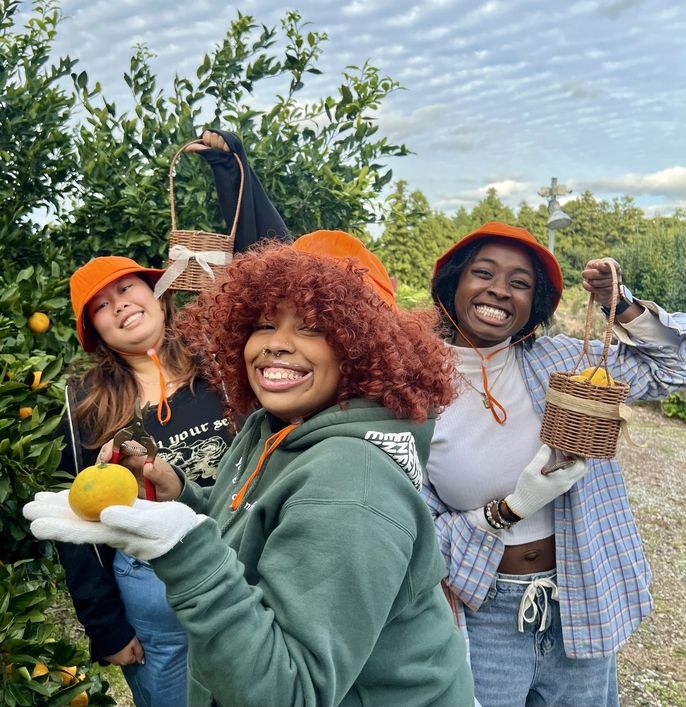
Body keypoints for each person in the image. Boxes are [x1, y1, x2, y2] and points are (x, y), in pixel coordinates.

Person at [27, 232, 475, 706]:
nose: (276, 345)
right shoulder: (271, 426)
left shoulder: (350, 483)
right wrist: (180, 494)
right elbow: (256, 521)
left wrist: (184, 548)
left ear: (365, 345)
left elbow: (288, 693)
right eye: (263, 324)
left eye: (312, 327)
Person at [423, 220, 686, 706]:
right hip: (483, 610)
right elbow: (411, 531)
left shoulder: (563, 360)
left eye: (520, 283)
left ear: (534, 303)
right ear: (453, 282)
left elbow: (675, 367)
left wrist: (619, 303)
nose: (499, 291)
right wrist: (510, 510)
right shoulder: (412, 388)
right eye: (483, 272)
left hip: (578, 593)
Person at [57, 256, 233, 707]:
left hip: (242, 556)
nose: (118, 305)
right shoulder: (85, 406)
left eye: (126, 288)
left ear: (158, 293)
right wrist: (105, 625)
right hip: (151, 585)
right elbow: (74, 522)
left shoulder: (225, 367)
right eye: (100, 306)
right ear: (95, 332)